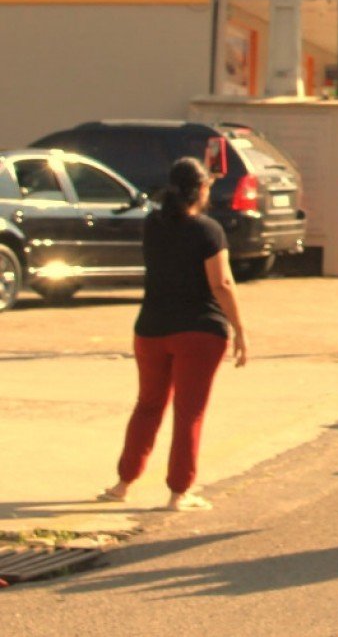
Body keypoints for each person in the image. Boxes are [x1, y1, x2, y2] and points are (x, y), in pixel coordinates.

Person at [101, 157, 249, 511]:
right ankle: (179, 491)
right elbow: (222, 283)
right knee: (189, 411)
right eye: (209, 186)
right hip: (199, 332)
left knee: (148, 405)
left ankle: (123, 483)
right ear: (200, 189)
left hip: (151, 328)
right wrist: (241, 329)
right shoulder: (208, 230)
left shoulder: (153, 223)